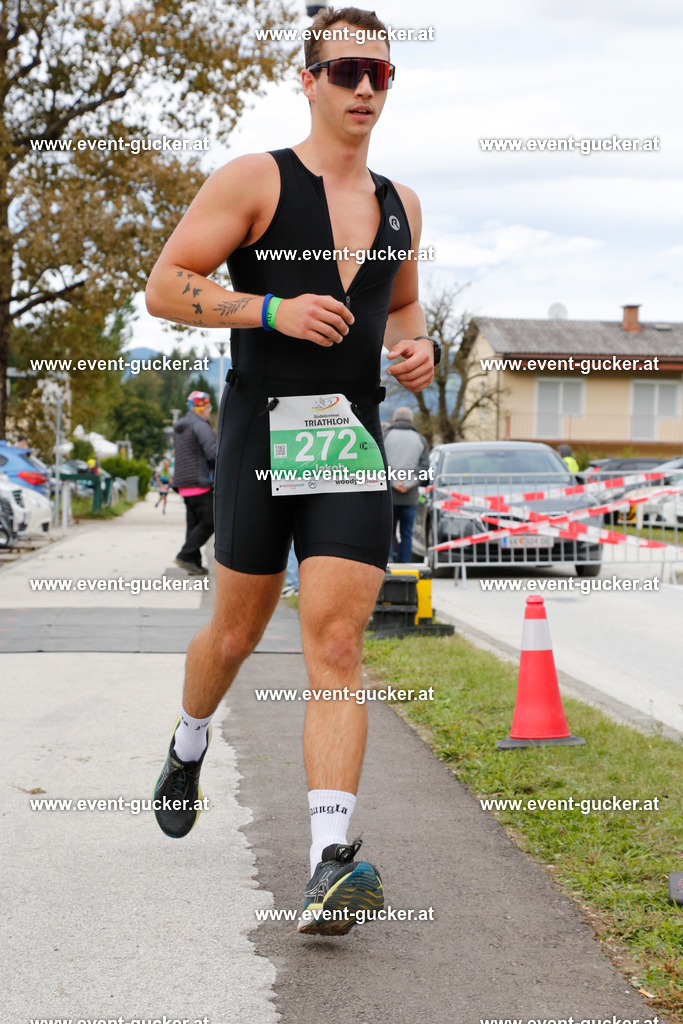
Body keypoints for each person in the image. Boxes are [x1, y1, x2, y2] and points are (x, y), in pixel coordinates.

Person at [145, 6, 438, 935]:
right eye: (346, 71)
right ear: (306, 80)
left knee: (337, 644)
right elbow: (165, 285)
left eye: (379, 75)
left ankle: (328, 864)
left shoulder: (401, 203)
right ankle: (188, 743)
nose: (363, 88)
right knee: (233, 637)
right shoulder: (255, 180)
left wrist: (416, 349)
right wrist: (269, 312)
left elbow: (404, 308)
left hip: (347, 436)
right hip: (261, 429)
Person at [172, 391, 217, 576]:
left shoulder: (182, 426)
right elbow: (212, 454)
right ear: (201, 408)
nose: (208, 411)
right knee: (210, 521)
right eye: (207, 407)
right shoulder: (200, 425)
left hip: (184, 483)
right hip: (199, 482)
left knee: (194, 524)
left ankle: (194, 564)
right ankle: (185, 555)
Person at [383, 406, 430, 563]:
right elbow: (424, 468)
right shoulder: (420, 439)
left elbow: (380, 463)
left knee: (387, 532)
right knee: (406, 532)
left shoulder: (385, 436)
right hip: (410, 496)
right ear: (411, 420)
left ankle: (387, 562)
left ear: (394, 420)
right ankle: (404, 563)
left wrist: (395, 482)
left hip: (389, 494)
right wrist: (407, 483)